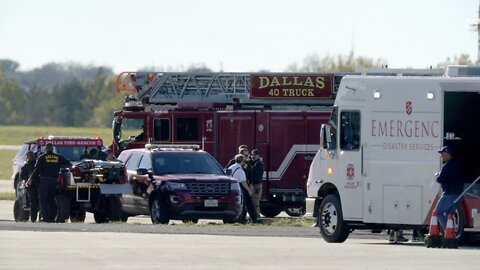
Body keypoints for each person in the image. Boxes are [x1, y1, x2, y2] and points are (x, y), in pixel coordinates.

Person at [29, 143, 71, 223]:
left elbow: (36, 170)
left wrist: (31, 179)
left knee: (43, 200)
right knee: (51, 200)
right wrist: (61, 169)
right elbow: (69, 163)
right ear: (52, 149)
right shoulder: (57, 157)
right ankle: (52, 217)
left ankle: (45, 218)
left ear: (46, 149)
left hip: (44, 181)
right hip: (54, 180)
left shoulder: (42, 157)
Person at [434, 146, 464, 232]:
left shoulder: (446, 166)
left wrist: (437, 175)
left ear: (448, 154)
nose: (441, 156)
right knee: (449, 213)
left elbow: (440, 179)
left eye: (443, 154)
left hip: (448, 194)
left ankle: (449, 232)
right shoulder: (458, 164)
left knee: (438, 212)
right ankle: (453, 232)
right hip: (459, 194)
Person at [228, 154, 258, 224]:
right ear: (243, 161)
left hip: (231, 187)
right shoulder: (240, 170)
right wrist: (249, 190)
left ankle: (235, 219)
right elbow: (243, 182)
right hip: (239, 187)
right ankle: (243, 219)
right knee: (243, 204)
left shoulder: (231, 167)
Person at [23, 151, 39, 222]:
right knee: (34, 202)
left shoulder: (38, 164)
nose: (31, 157)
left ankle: (34, 218)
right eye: (29, 155)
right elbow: (22, 176)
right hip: (32, 186)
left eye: (31, 155)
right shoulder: (26, 166)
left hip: (38, 185)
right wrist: (26, 180)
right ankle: (33, 218)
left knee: (38, 202)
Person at [249, 149, 264, 217]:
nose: (253, 156)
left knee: (255, 202)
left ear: (258, 156)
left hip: (256, 185)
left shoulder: (258, 164)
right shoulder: (253, 163)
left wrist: (253, 185)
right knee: (252, 202)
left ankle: (257, 216)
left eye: (255, 155)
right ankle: (254, 215)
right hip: (253, 185)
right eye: (252, 154)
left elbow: (257, 176)